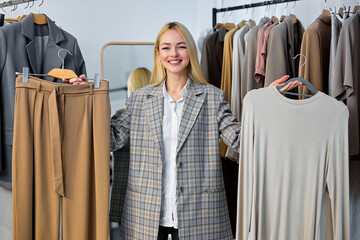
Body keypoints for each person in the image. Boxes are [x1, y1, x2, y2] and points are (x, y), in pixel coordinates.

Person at [66, 22, 300, 239]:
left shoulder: (212, 97)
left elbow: (241, 141)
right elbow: (111, 140)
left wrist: (266, 102)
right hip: (145, 215)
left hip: (200, 216)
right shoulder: (139, 100)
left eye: (181, 47)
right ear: (158, 54)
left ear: (190, 52)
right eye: (166, 48)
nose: (174, 54)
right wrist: (81, 101)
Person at [109, 67, 151, 226]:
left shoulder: (122, 116)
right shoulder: (162, 115)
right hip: (153, 191)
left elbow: (110, 143)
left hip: (126, 190)